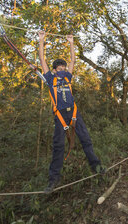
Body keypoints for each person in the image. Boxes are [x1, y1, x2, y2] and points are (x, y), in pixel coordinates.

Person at [38, 31, 105, 193]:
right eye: (59, 67)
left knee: (86, 140)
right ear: (54, 70)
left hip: (74, 114)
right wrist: (41, 40)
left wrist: (71, 43)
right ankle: (53, 180)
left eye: (63, 66)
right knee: (58, 146)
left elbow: (73, 60)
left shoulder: (68, 77)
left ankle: (97, 168)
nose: (62, 68)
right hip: (60, 116)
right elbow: (42, 59)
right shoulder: (50, 78)